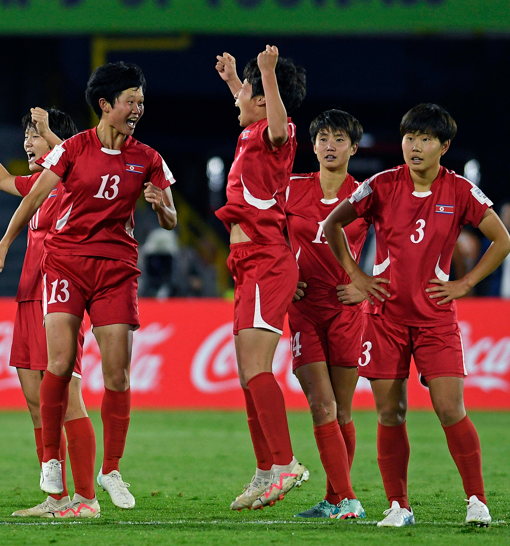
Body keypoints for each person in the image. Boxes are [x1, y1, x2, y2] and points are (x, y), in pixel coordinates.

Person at [0, 62, 177, 517]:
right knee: (60, 363)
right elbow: (33, 197)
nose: (138, 109)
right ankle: (52, 463)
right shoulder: (72, 149)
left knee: (118, 376)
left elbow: (170, 218)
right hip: (66, 266)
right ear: (106, 105)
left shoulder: (148, 158)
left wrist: (161, 209)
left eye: (141, 101)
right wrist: (4, 243)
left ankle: (109, 470)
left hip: (116, 270)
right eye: (131, 101)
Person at [323, 103, 510, 528]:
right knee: (391, 413)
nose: (415, 147)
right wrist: (357, 275)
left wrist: (464, 285)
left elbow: (501, 239)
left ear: (444, 146)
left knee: (450, 408)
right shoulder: (381, 185)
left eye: (425, 139)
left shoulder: (459, 190)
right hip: (385, 319)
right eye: (409, 138)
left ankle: (477, 500)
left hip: (436, 321)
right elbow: (333, 223)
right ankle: (398, 506)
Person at [0, 108, 98, 517]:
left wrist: (52, 135)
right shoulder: (39, 185)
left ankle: (85, 499)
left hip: (62, 296)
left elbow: (79, 160)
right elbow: (2, 179)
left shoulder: (77, 180)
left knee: (67, 396)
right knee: (37, 402)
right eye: (27, 135)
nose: (28, 142)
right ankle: (55, 496)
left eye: (34, 135)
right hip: (28, 296)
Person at [213, 46, 309, 511]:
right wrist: (236, 79)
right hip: (248, 263)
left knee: (256, 370)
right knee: (247, 375)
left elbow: (274, 120)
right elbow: (253, 110)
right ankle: (266, 470)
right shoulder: (251, 131)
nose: (237, 99)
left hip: (267, 260)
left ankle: (286, 463)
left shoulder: (278, 131)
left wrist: (266, 74)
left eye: (244, 93)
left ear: (265, 97)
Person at [285, 110, 368, 519]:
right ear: (313, 145)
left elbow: (395, 245)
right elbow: (264, 235)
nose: (330, 145)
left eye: (339, 138)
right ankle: (348, 499)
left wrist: (366, 284)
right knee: (322, 405)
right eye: (323, 138)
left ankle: (337, 499)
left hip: (347, 309)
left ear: (354, 147)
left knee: (343, 410)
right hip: (304, 308)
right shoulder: (292, 189)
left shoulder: (368, 194)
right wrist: (283, 278)